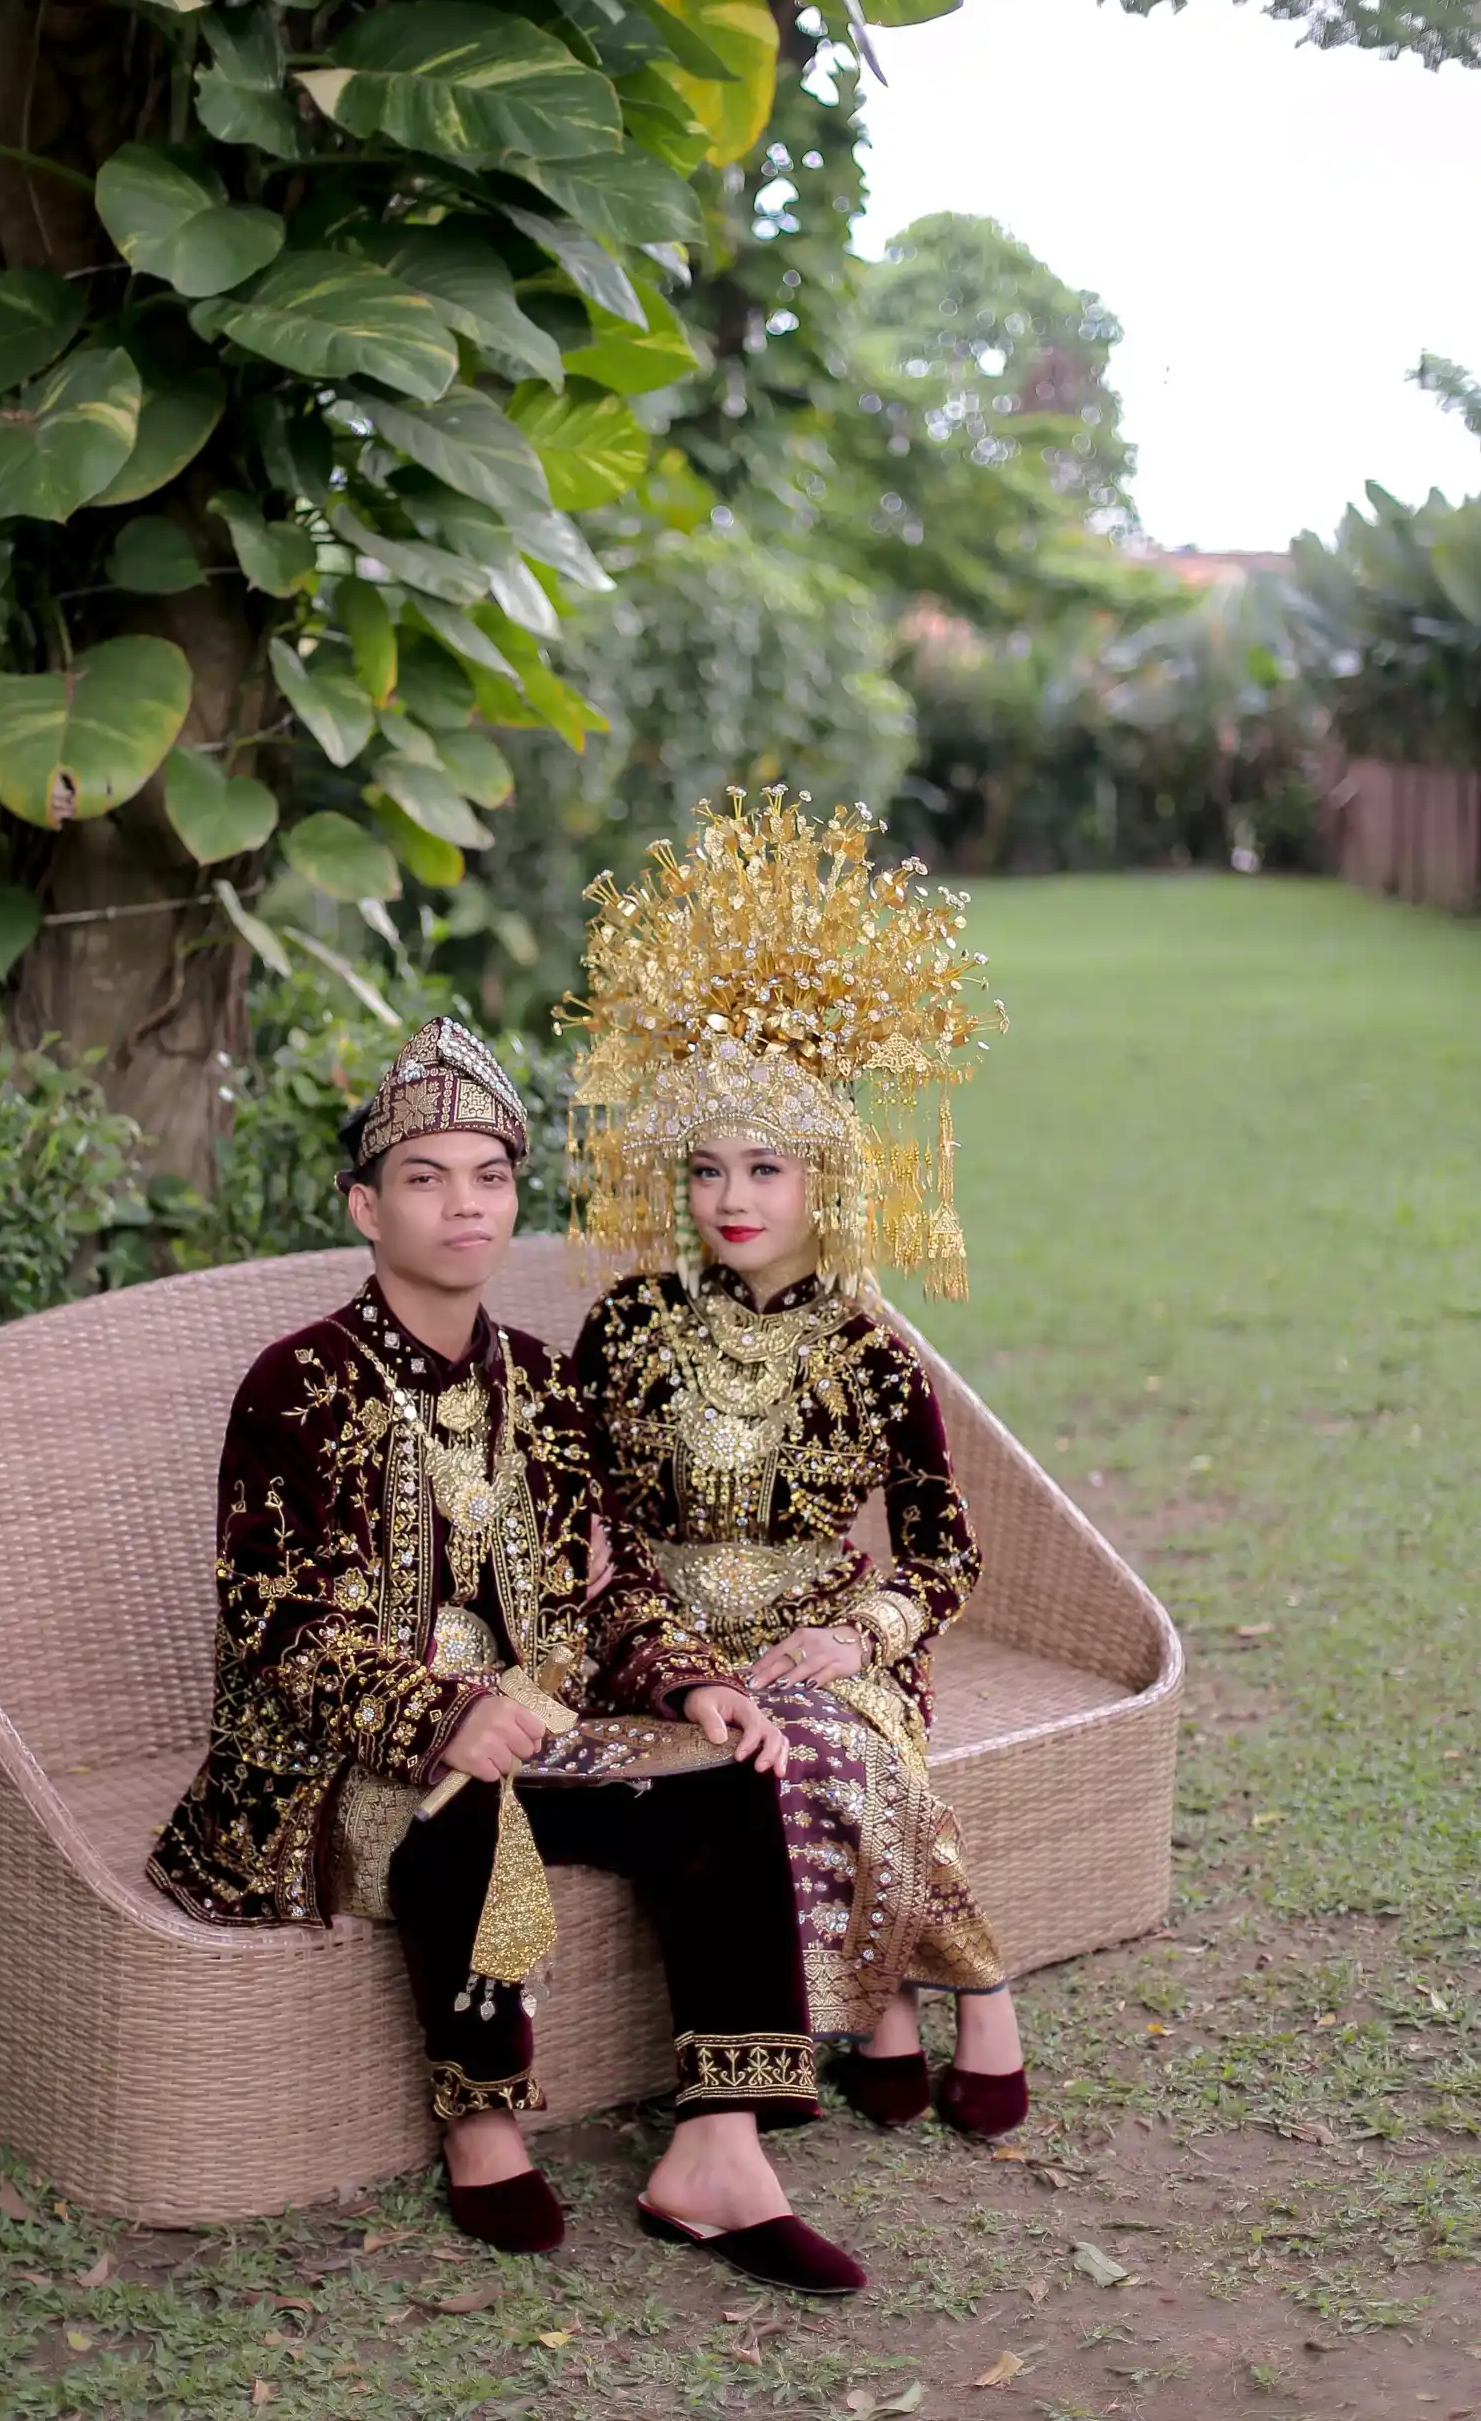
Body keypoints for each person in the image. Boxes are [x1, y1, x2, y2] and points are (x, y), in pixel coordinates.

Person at [150, 1015, 865, 2292]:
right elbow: (278, 1622)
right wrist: (441, 1715)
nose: (464, 1205)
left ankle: (721, 2148)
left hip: (540, 1730)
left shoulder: (542, 1383)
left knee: (725, 1775)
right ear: (365, 1207)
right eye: (426, 1179)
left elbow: (607, 1588)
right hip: (329, 1768)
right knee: (467, 1790)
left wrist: (692, 1679)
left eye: (489, 1177)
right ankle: (480, 2123)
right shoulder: (294, 1387)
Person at [564, 789, 1028, 2139]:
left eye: (764, 1168)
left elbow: (943, 1552)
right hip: (657, 1642)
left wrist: (855, 1635)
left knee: (823, 1732)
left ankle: (933, 2000)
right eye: (706, 1169)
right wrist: (663, 1652)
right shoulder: (626, 1327)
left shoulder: (872, 1350)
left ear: (823, 1180)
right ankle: (921, 2006)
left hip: (824, 1641)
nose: (731, 1200)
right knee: (768, 1752)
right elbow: (581, 1530)